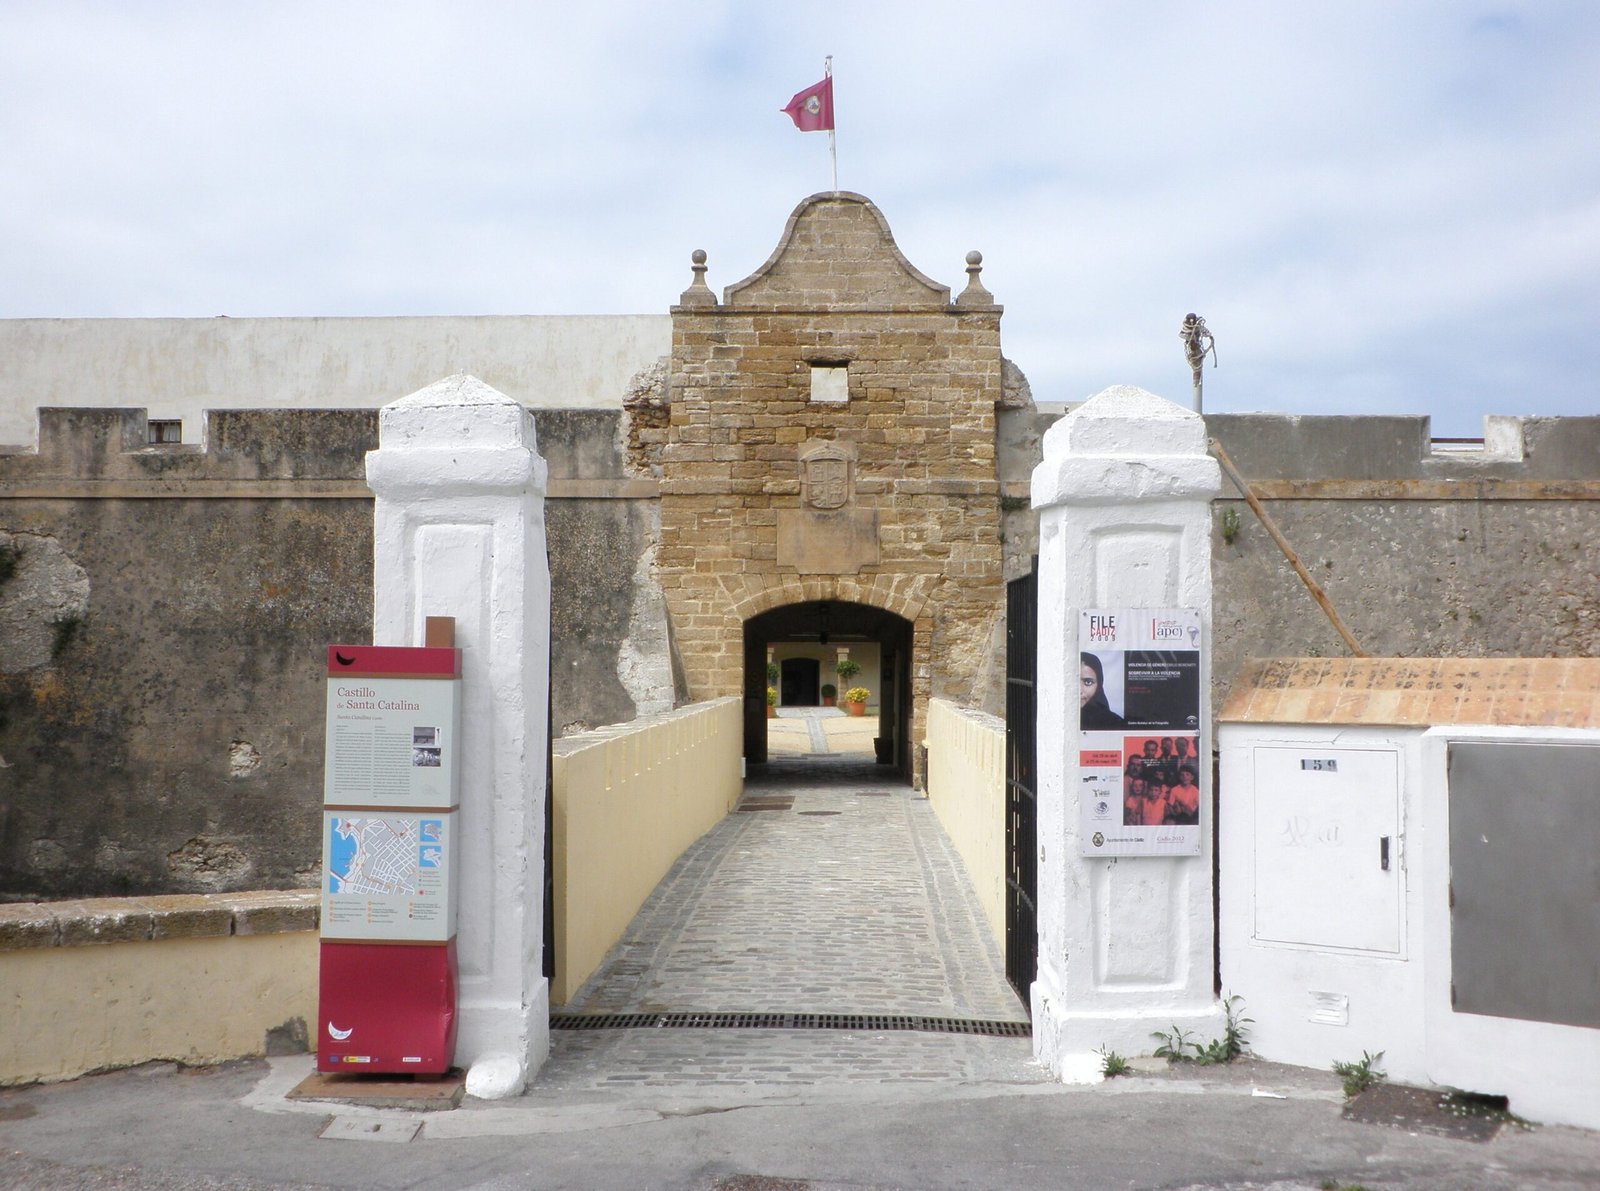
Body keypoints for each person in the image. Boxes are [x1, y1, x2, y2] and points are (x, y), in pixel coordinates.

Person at [1080, 652, 1126, 729]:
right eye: (1073, 681)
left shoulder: (1115, 724)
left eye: (1088, 682)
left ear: (1099, 686)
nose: (1079, 691)